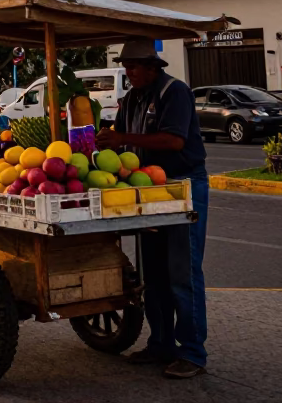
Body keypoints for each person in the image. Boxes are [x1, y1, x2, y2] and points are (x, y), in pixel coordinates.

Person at [96, 39, 209, 380]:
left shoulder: (175, 92)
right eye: (126, 67)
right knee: (154, 274)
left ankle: (192, 351)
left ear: (151, 67)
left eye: (133, 68)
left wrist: (123, 140)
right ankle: (160, 343)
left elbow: (174, 141)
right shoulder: (131, 98)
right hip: (147, 189)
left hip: (182, 186)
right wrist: (105, 142)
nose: (128, 73)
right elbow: (119, 137)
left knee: (182, 273)